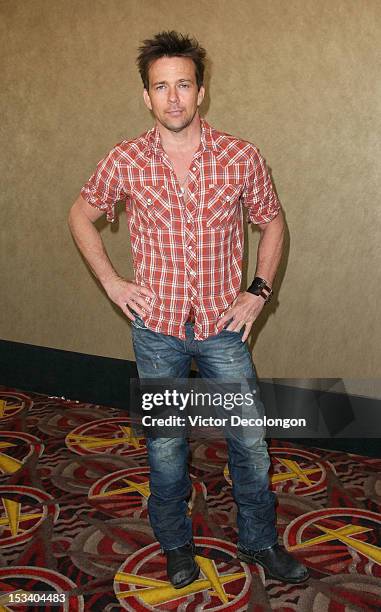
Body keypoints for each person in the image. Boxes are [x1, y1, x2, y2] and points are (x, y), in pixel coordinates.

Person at [68, 30, 309, 589]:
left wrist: (259, 290)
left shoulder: (240, 155)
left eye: (184, 84)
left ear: (201, 92)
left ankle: (259, 541)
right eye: (161, 87)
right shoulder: (124, 159)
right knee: (167, 446)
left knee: (249, 442)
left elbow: (271, 220)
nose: (173, 97)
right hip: (156, 331)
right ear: (145, 97)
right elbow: (80, 215)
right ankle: (176, 545)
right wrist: (112, 283)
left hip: (224, 328)